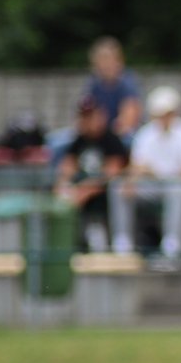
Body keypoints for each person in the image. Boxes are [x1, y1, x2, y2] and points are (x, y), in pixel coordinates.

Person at [113, 87, 181, 266]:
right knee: (118, 187)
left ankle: (171, 248)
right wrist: (132, 180)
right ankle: (122, 246)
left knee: (176, 190)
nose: (164, 118)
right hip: (153, 187)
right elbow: (138, 166)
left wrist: (164, 175)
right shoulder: (146, 134)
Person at [54, 97, 127, 252]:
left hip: (104, 193)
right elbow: (67, 167)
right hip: (80, 191)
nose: (87, 121)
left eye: (91, 116)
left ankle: (107, 244)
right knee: (62, 197)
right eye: (84, 117)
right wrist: (64, 186)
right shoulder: (79, 141)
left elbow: (113, 172)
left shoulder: (111, 140)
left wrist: (87, 189)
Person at [81, 37, 144, 143]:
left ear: (119, 61)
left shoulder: (127, 82)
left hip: (122, 133)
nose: (105, 65)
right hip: (100, 132)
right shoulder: (93, 83)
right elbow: (85, 113)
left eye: (108, 59)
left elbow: (129, 119)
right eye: (101, 60)